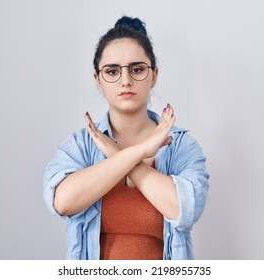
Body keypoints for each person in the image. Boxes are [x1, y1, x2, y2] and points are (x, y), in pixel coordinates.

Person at [43, 16, 209, 260]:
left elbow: (185, 209)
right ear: (97, 80)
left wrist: (119, 155)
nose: (125, 80)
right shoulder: (82, 144)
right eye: (112, 71)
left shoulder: (181, 145)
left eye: (137, 69)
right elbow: (63, 202)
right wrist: (138, 152)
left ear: (154, 75)